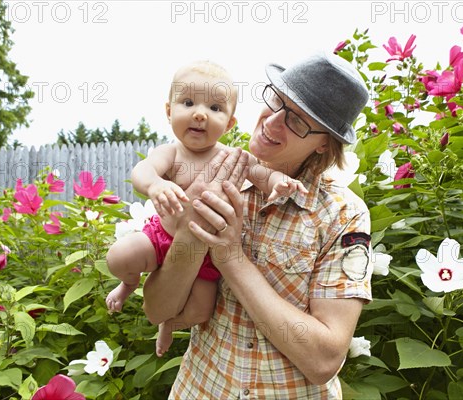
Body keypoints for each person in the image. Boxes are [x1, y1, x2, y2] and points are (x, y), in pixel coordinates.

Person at [143, 52, 373, 399]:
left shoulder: (343, 215)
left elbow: (323, 360)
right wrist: (192, 230)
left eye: (297, 120)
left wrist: (230, 256)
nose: (272, 122)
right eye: (276, 101)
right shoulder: (217, 174)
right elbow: (156, 310)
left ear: (324, 142)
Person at [105, 60, 306, 357]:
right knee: (119, 256)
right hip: (162, 237)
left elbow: (264, 176)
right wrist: (155, 186)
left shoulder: (233, 158)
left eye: (214, 108)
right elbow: (142, 172)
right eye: (188, 102)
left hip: (206, 253)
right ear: (169, 111)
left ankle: (171, 324)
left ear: (229, 123)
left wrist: (279, 183)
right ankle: (128, 284)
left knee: (200, 311)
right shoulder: (171, 153)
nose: (200, 113)